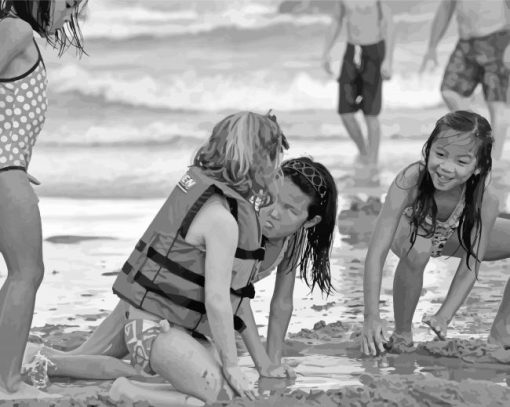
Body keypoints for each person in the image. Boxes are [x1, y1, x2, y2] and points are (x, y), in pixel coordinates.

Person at [22, 156, 338, 401]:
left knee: (142, 368)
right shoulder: (243, 225)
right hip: (154, 298)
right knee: (85, 358)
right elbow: (236, 303)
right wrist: (262, 364)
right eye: (272, 197)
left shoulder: (293, 241)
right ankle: (24, 357)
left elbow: (281, 304)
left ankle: (30, 356)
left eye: (289, 210)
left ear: (310, 221)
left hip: (186, 316)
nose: (273, 212)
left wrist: (274, 361)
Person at [361, 110, 503, 356]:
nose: (446, 168)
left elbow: (471, 265)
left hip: (452, 236)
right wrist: (371, 316)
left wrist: (444, 315)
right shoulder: (410, 180)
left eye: (461, 161)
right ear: (428, 150)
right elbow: (376, 253)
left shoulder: (486, 200)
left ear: (478, 167)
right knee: (420, 248)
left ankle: (503, 333)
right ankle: (403, 332)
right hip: (407, 234)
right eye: (440, 154)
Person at [0, 0, 86, 395]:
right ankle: (8, 382)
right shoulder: (15, 30)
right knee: (27, 273)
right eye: (68, 4)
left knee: (21, 274)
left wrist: (12, 156)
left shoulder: (17, 32)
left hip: (9, 168)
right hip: (4, 173)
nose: (72, 14)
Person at [420, 0, 510, 161]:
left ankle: (493, 163)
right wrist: (432, 46)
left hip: (498, 40)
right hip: (466, 44)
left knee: (497, 105)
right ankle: (479, 134)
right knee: (449, 92)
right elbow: (446, 7)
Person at [321, 0, 395, 166]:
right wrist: (326, 52)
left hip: (375, 52)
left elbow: (389, 24)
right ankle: (363, 152)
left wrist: (388, 60)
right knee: (345, 112)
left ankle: (373, 162)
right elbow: (336, 20)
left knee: (370, 114)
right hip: (352, 51)